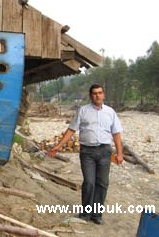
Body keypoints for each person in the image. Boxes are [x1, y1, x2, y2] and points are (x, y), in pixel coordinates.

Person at [48, 83, 123, 225]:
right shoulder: (83, 111)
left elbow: (116, 133)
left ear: (103, 94)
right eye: (94, 93)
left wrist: (119, 153)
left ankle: (97, 214)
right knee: (89, 182)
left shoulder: (110, 112)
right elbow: (71, 130)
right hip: (87, 152)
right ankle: (85, 213)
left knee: (102, 183)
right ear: (90, 96)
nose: (97, 95)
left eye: (100, 93)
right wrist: (58, 146)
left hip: (105, 152)